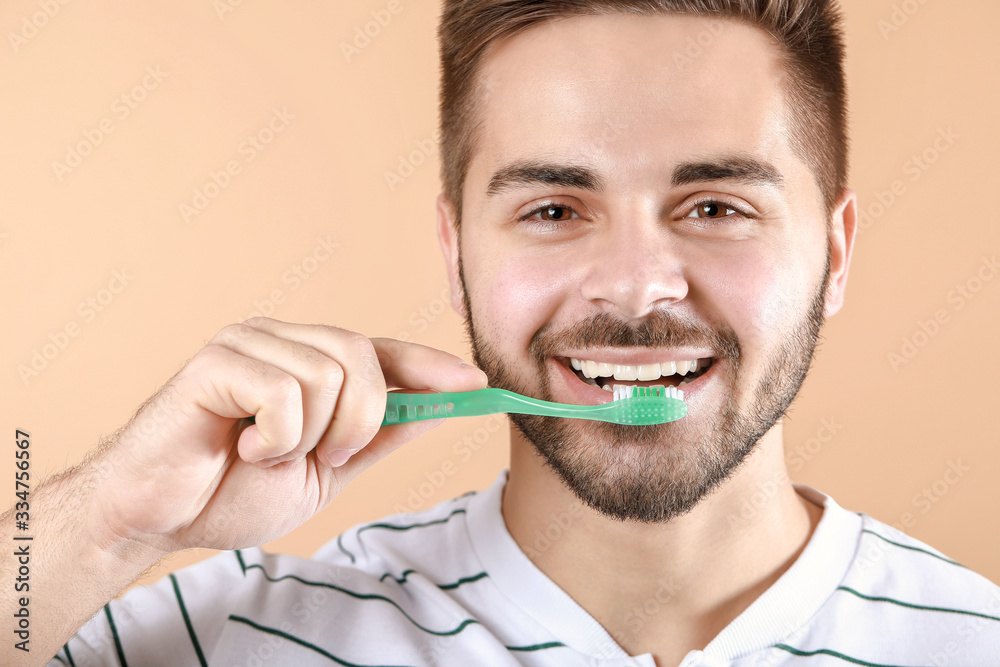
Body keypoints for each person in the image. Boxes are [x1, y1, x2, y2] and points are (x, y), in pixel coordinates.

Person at [5, 1, 998, 665]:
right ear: (454, 253)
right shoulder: (230, 635)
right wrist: (103, 525)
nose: (638, 288)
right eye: (555, 211)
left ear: (836, 251)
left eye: (715, 207)